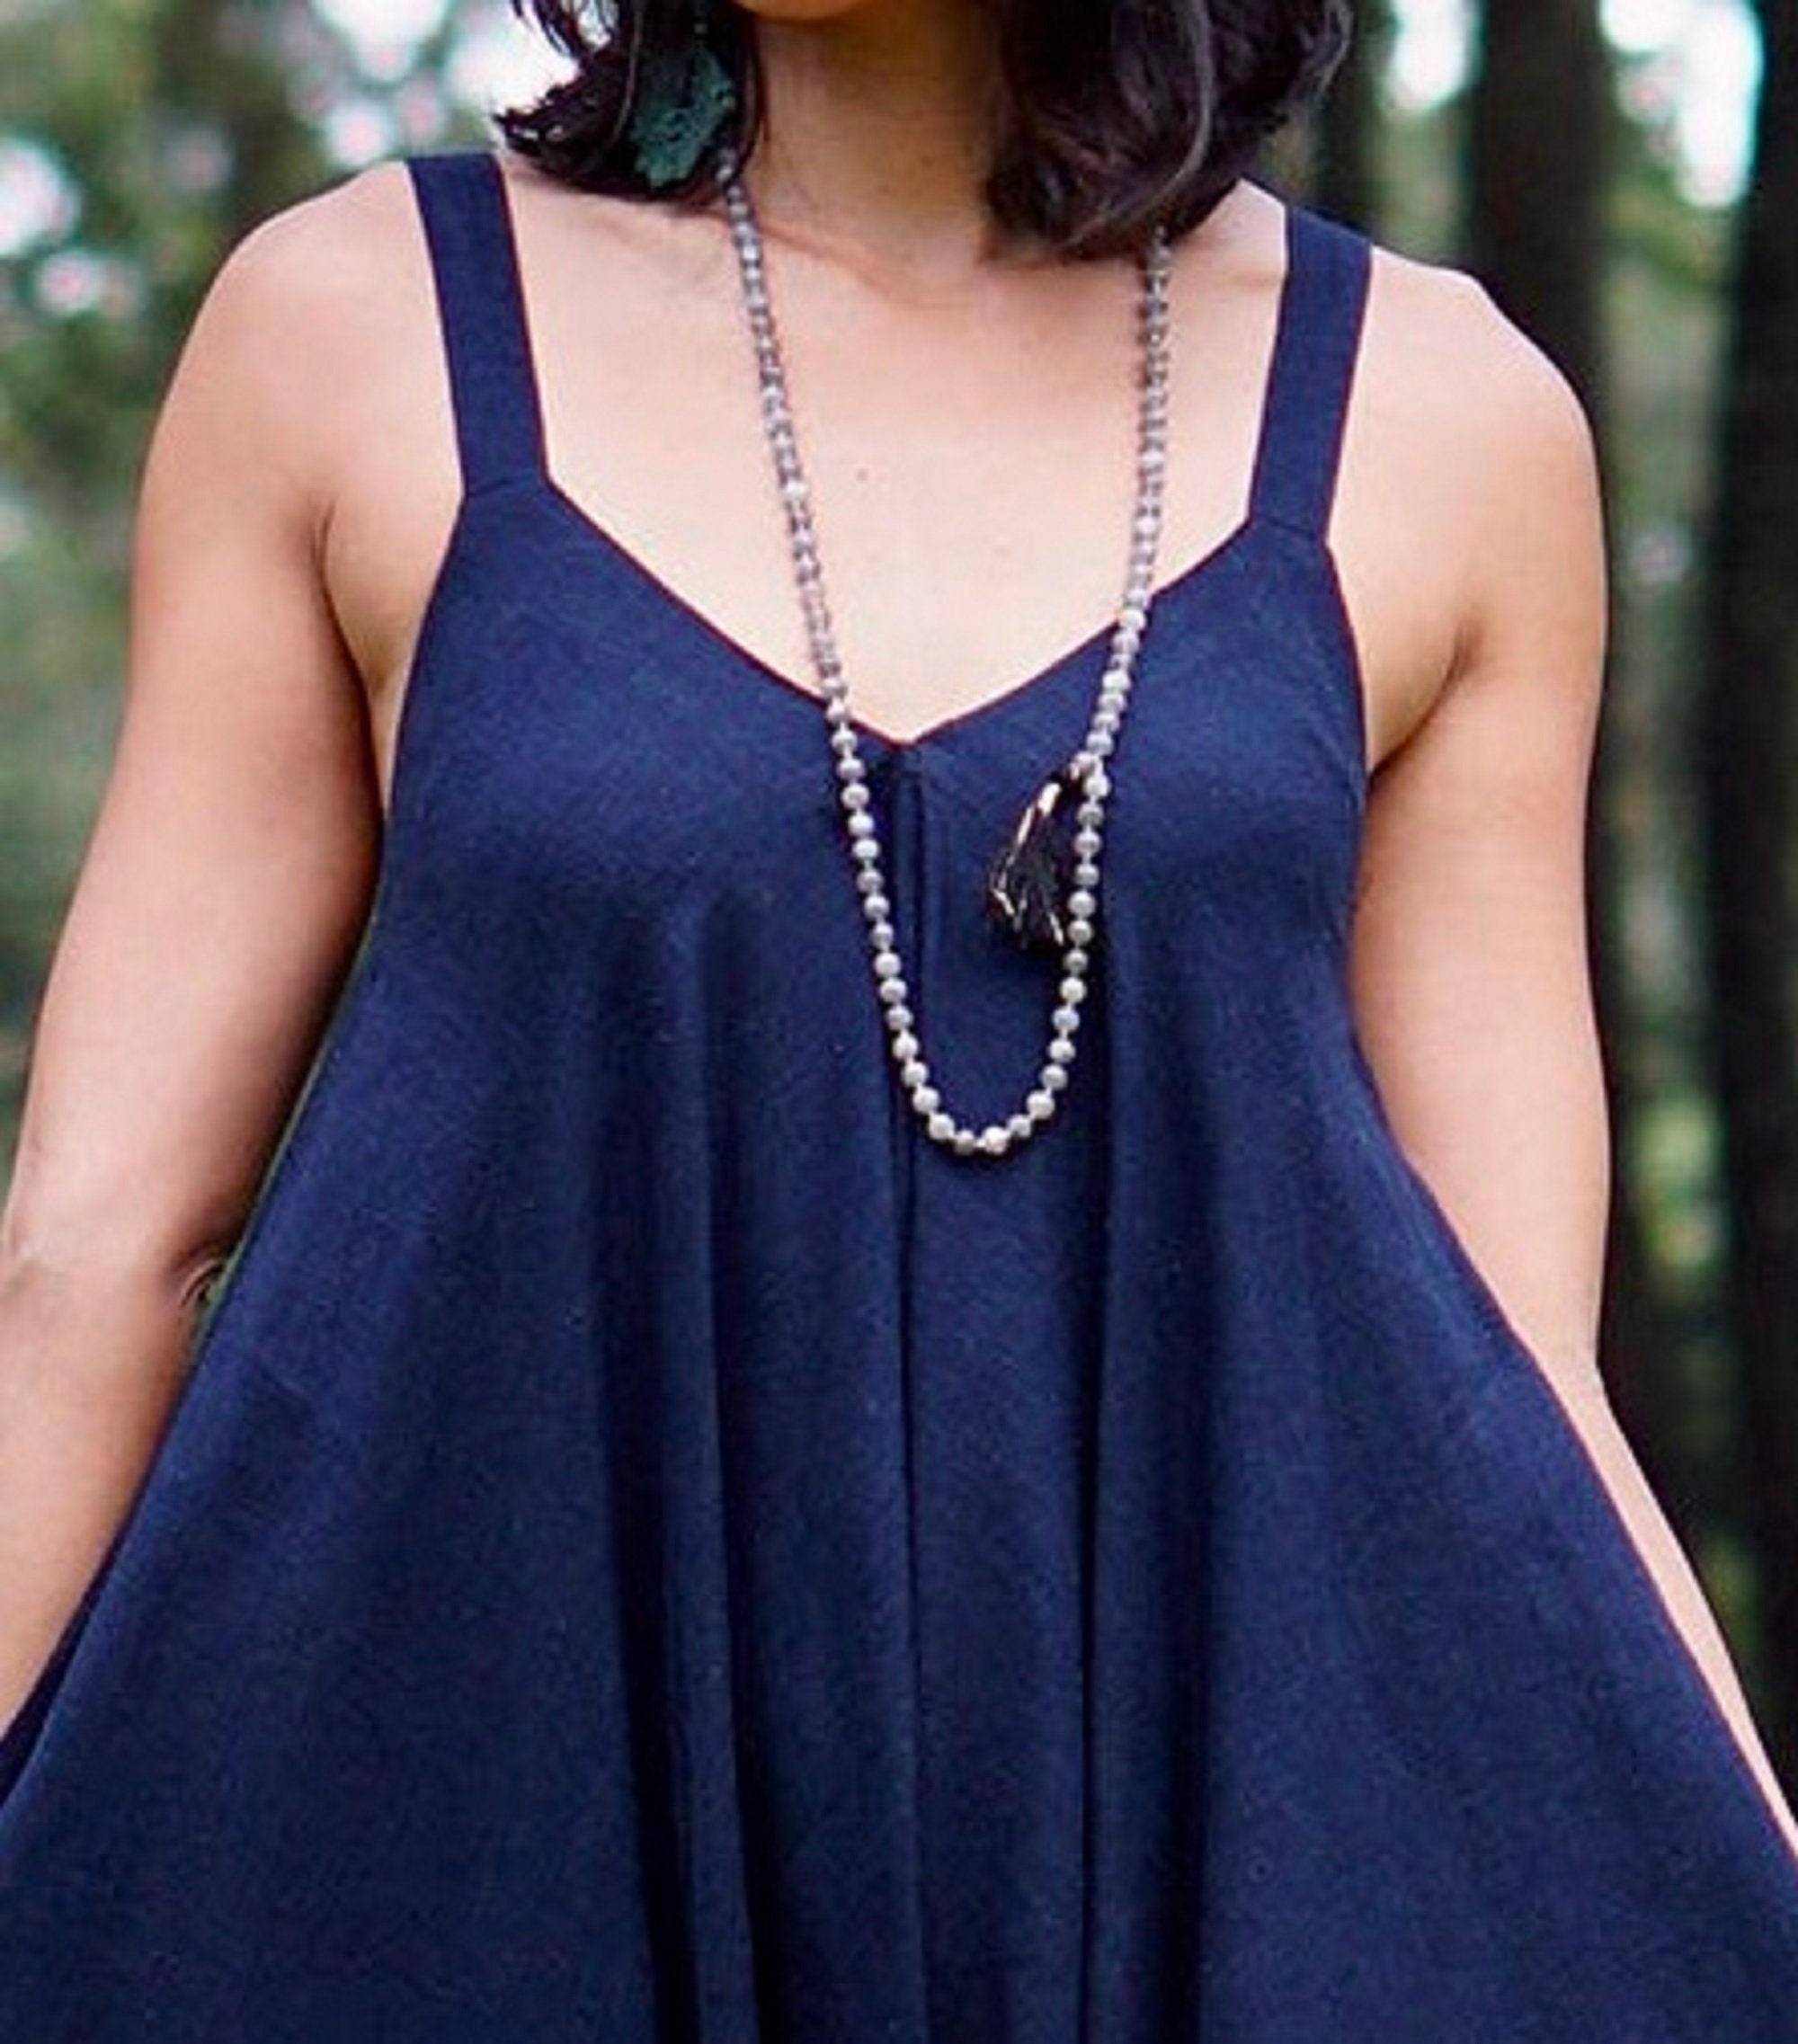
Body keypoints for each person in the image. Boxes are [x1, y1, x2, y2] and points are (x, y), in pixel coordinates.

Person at [2, 0, 1796, 2034]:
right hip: (486, 1810)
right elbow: (97, 1252)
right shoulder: (355, 329)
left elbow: (1511, 1367)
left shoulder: (1441, 417)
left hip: (1203, 1831)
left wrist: (1744, 1887)